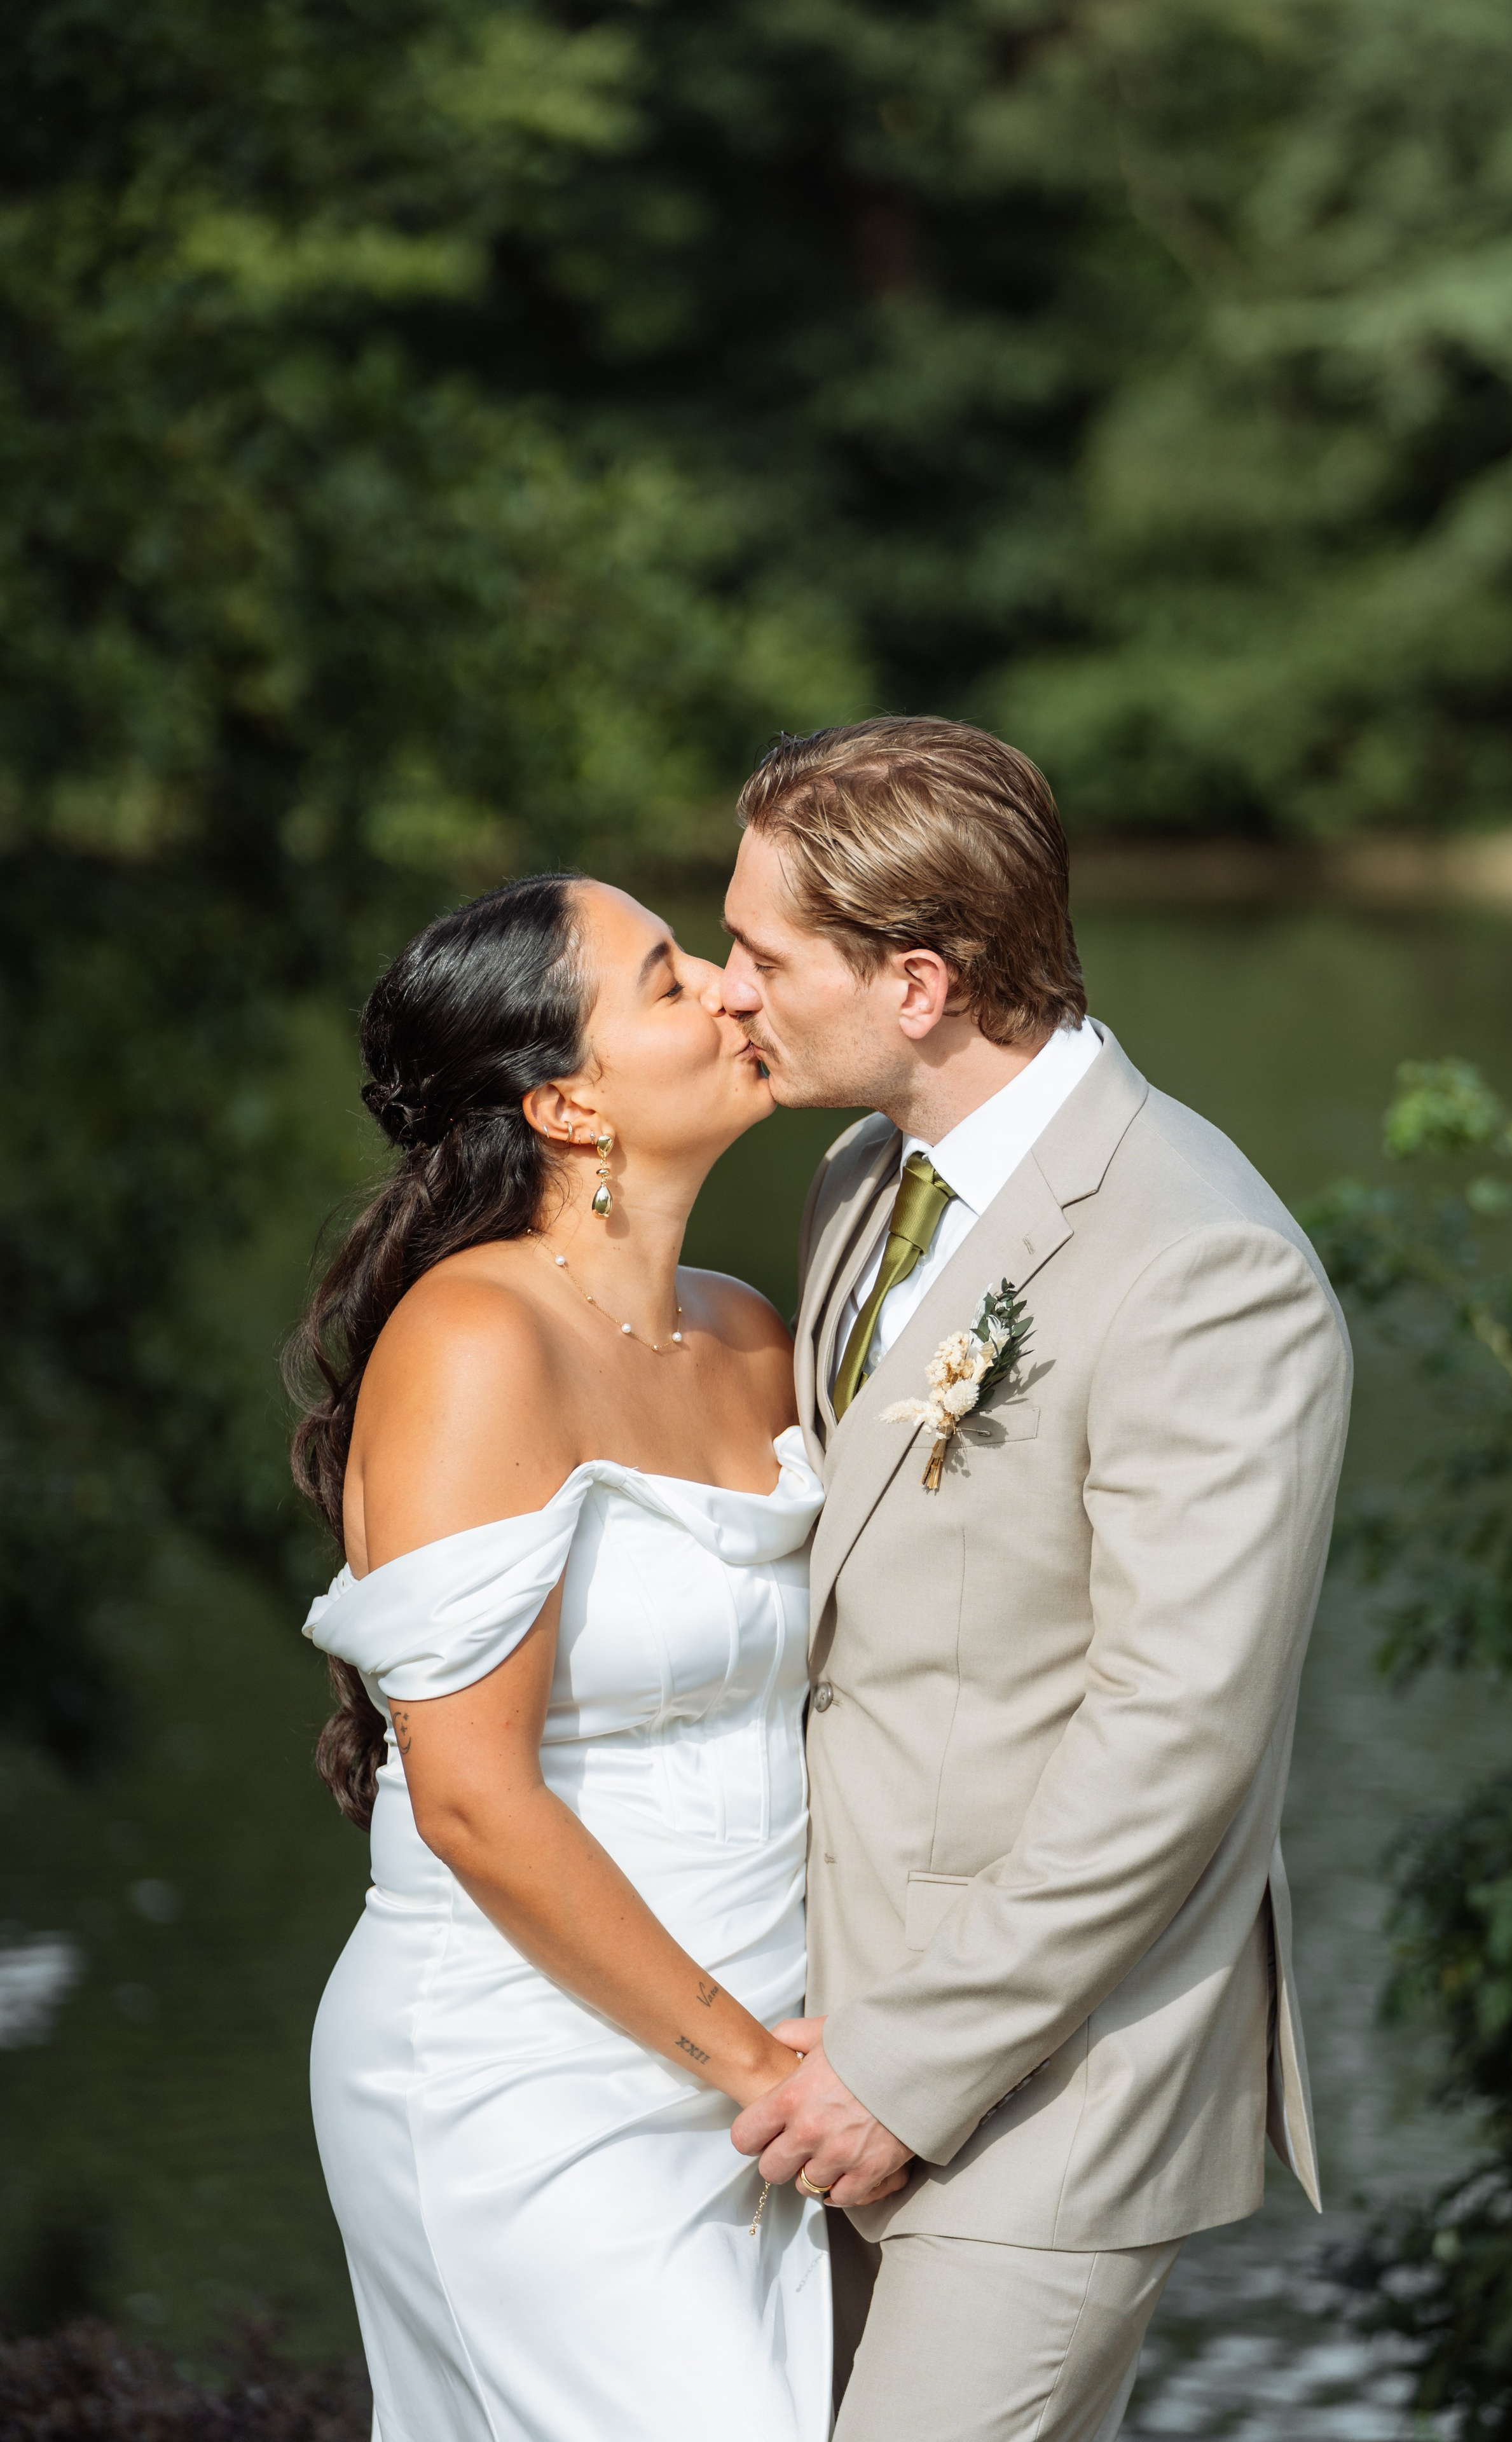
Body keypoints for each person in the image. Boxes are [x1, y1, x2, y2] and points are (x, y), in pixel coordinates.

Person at [722, 717, 1352, 2442]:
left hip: (1057, 2085)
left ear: (917, 985)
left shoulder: (1204, 1265)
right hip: (816, 2038)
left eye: (763, 953)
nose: (727, 990)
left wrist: (901, 2065)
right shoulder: (859, 1182)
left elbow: (1176, 1746)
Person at [290, 875, 841, 2442]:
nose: (730, 985)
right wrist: (755, 2068)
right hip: (530, 2068)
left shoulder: (751, 1336)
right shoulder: (476, 1342)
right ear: (566, 1105)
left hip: (759, 2065)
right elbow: (471, 1798)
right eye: (667, 978)